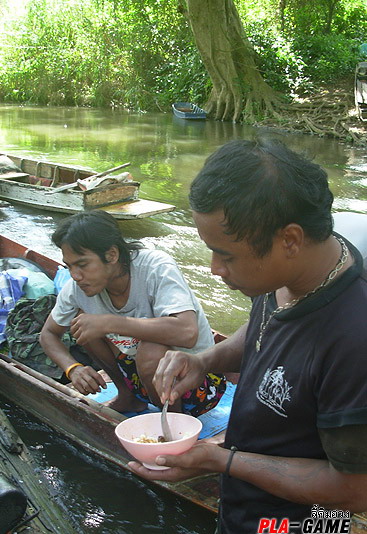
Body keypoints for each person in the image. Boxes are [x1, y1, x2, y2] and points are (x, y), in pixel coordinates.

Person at [128, 139, 367, 533]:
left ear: (289, 239)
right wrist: (206, 360)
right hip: (243, 501)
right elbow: (265, 331)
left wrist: (221, 460)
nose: (214, 269)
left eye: (226, 255)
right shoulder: (292, 274)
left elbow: (354, 489)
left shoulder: (353, 341)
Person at [39, 210, 226, 416]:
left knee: (151, 348)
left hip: (198, 385)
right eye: (69, 266)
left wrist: (109, 322)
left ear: (111, 255)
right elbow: (48, 334)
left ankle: (174, 419)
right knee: (83, 325)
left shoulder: (156, 267)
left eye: (82, 265)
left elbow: (187, 333)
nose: (75, 276)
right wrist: (73, 368)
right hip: (141, 379)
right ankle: (128, 397)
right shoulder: (77, 288)